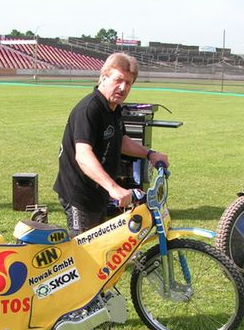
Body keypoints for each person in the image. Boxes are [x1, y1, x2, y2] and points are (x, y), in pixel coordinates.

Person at [53, 52, 168, 237]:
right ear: (104, 77)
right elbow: (83, 155)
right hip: (80, 194)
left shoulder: (113, 108)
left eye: (128, 83)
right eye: (118, 80)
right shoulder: (89, 108)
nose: (123, 88)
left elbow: (120, 140)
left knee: (100, 252)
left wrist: (150, 154)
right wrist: (113, 187)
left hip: (99, 191)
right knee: (86, 256)